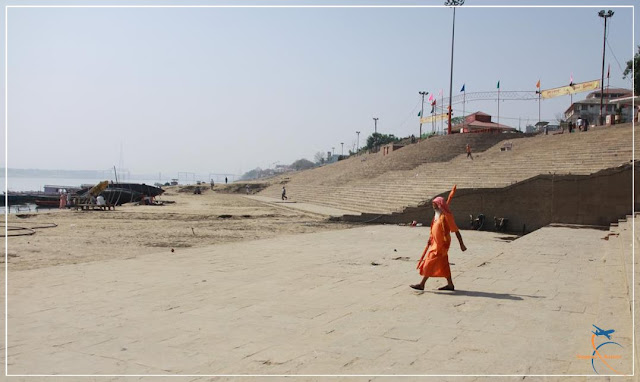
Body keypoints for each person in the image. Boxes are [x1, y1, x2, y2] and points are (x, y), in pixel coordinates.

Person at [411, 196, 467, 291]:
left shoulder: (446, 216)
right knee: (443, 264)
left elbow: (455, 230)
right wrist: (431, 239)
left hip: (442, 245)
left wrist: (461, 244)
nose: (433, 206)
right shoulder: (436, 216)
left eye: (435, 205)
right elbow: (434, 229)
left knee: (429, 262)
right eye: (433, 205)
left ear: (439, 205)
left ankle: (422, 284)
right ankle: (450, 285)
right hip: (435, 243)